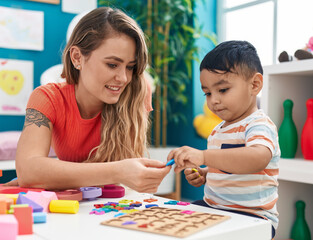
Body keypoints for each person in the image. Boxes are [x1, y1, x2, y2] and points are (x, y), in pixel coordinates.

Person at [12, 7, 171, 192]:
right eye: (112, 65)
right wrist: (118, 171)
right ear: (77, 57)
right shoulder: (48, 98)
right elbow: (29, 171)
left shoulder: (136, 92)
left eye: (130, 67)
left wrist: (49, 176)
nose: (124, 78)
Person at [167, 40, 280, 238]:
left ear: (255, 84)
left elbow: (256, 158)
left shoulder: (259, 124)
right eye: (207, 93)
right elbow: (226, 166)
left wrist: (204, 157)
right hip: (216, 207)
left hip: (252, 216)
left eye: (223, 90)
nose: (213, 100)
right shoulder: (218, 129)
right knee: (176, 222)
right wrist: (205, 174)